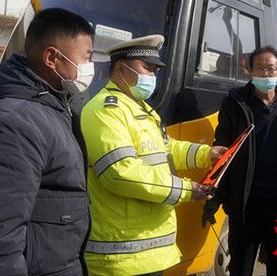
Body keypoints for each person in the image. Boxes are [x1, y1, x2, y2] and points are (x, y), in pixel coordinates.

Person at [80, 34, 227, 276]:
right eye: (147, 69)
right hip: (121, 255)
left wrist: (206, 154)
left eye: (155, 71)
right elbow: (121, 173)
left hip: (147, 250)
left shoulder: (142, 108)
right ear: (120, 69)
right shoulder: (105, 111)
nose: (153, 76)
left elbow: (166, 150)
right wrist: (186, 190)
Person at [0, 8, 94, 275]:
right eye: (86, 57)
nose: (90, 68)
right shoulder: (13, 122)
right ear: (52, 58)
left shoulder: (54, 105)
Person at [202, 45, 277, 276]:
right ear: (250, 71)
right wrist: (214, 196)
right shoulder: (235, 104)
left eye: (270, 69)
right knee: (240, 270)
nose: (265, 74)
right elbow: (223, 154)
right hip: (246, 208)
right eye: (259, 68)